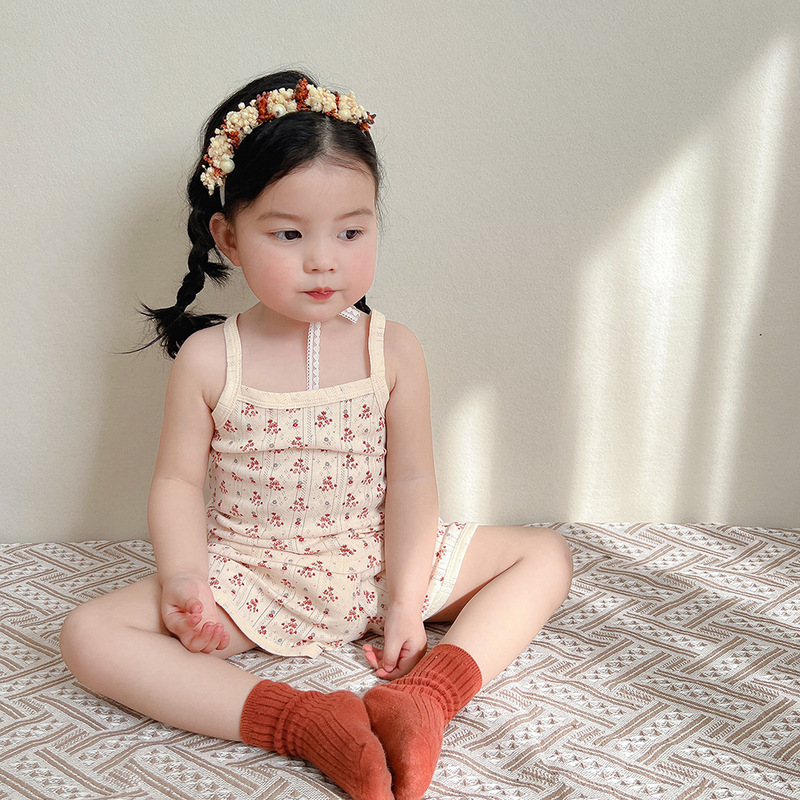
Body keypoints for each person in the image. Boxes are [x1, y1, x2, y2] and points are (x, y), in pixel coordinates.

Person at [60, 70, 573, 800]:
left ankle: (425, 700)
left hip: (379, 563)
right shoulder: (210, 359)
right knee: (88, 635)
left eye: (351, 232)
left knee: (544, 554)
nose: (324, 258)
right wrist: (186, 581)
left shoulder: (393, 350)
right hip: (252, 578)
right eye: (289, 233)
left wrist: (405, 601)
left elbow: (413, 481)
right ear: (229, 238)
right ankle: (304, 721)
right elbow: (176, 482)